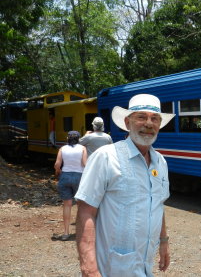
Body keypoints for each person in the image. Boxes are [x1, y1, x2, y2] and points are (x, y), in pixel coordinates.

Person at [75, 94, 175, 277]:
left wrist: (163, 241)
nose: (149, 124)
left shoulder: (160, 162)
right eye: (141, 117)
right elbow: (85, 211)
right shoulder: (106, 157)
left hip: (144, 266)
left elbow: (158, 204)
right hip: (110, 269)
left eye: (155, 119)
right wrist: (89, 268)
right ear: (128, 122)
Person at [54, 131, 87, 241]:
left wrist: (58, 171)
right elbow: (85, 164)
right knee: (80, 204)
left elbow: (57, 164)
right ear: (78, 138)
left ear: (67, 138)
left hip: (65, 176)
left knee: (67, 205)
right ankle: (81, 232)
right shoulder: (82, 148)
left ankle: (66, 232)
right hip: (79, 177)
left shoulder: (62, 149)